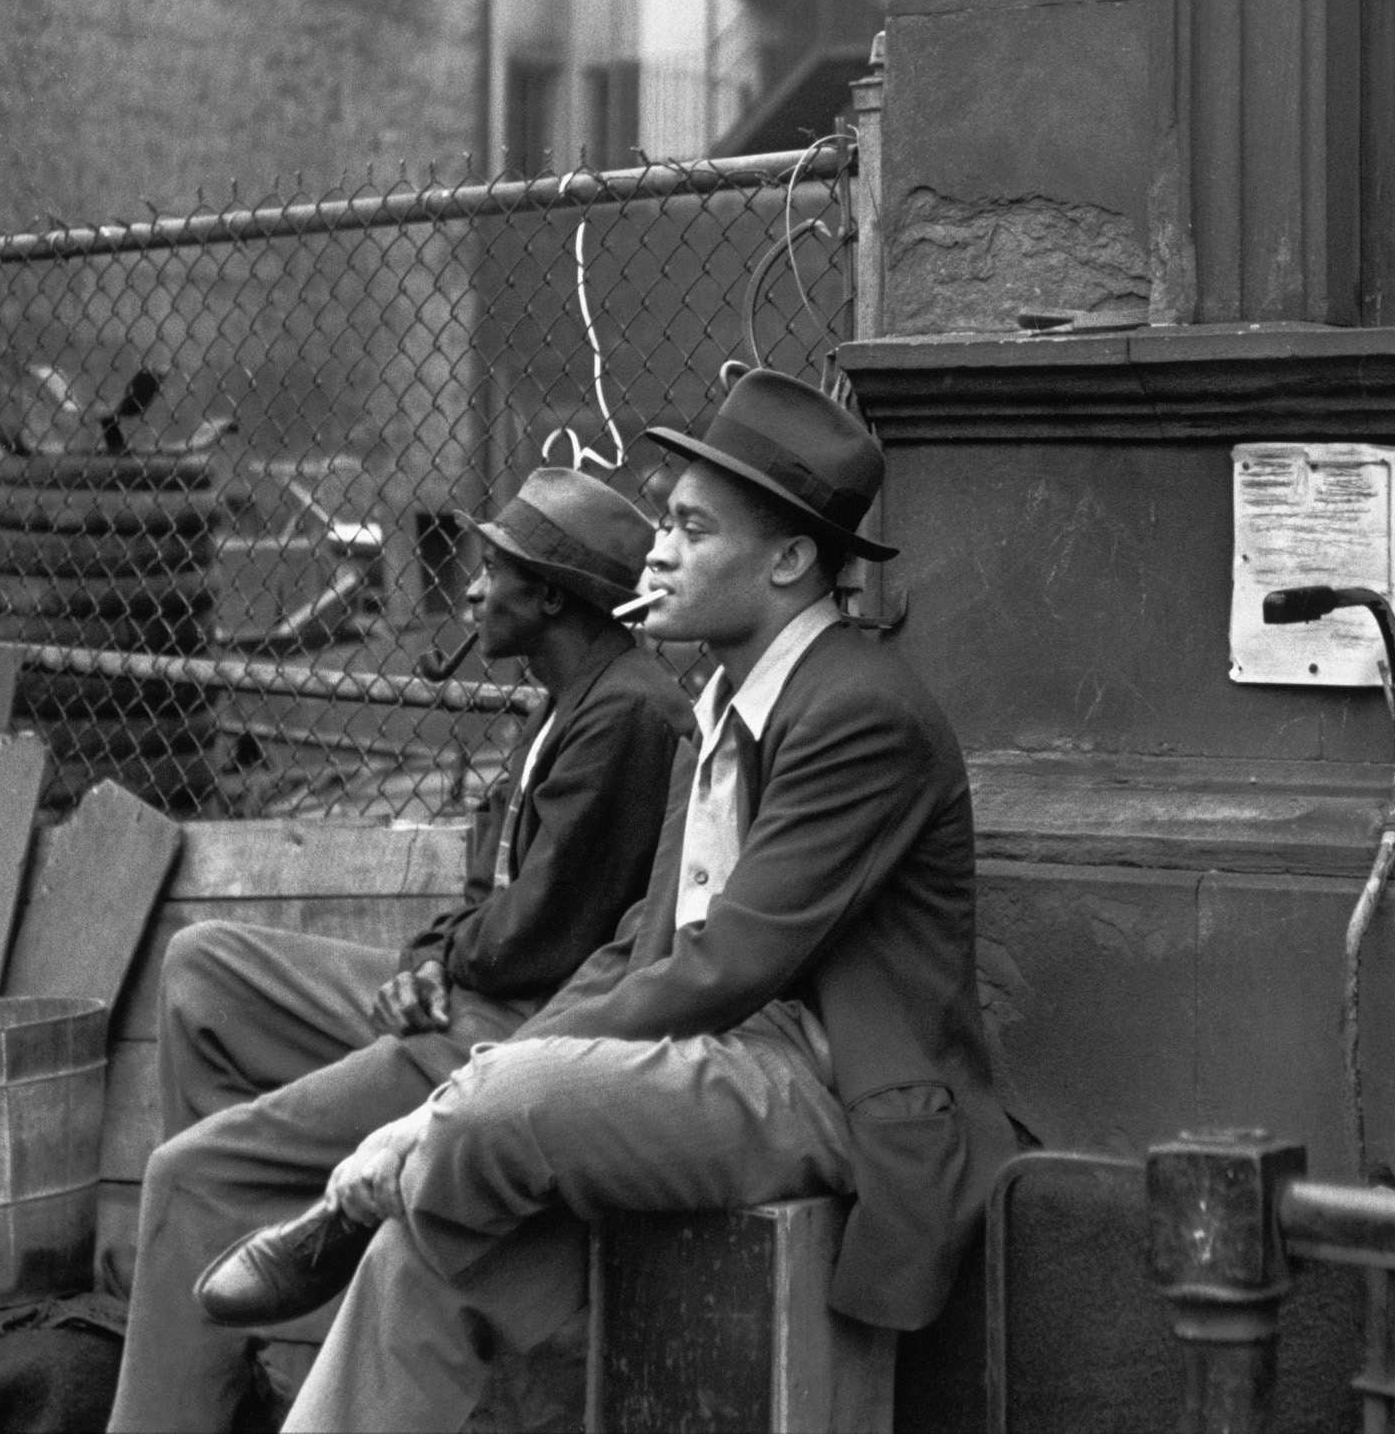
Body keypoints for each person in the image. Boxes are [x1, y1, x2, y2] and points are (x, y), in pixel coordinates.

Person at [179, 370, 1014, 1434]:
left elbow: (732, 967)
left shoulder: (860, 711)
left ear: (791, 561)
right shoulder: (718, 698)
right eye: (664, 521)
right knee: (421, 1253)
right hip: (714, 1064)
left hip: (826, 1084)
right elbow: (642, 943)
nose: (655, 551)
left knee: (499, 1110)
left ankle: (369, 1180)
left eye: (691, 528)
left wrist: (483, 1090)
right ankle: (386, 1193)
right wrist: (502, 1062)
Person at [105, 466, 689, 1432]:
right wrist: (424, 957)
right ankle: (249, 1313)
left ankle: (202, 1321)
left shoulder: (628, 713)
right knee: (204, 966)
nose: (468, 587)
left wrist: (444, 967)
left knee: (185, 1173)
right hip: (466, 989)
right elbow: (479, 888)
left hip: (512, 1033)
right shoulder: (560, 699)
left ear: (548, 596)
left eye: (493, 568)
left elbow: (541, 939)